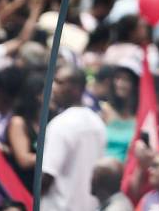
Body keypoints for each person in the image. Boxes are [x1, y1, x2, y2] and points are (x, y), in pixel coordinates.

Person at [41, 63, 107, 210]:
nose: (53, 88)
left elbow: (47, 175)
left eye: (59, 82)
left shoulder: (61, 124)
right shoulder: (97, 122)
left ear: (76, 89)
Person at [4, 72, 45, 189]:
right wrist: (53, 156)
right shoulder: (18, 122)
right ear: (38, 95)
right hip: (22, 186)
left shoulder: (46, 122)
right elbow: (24, 160)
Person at [100, 63, 138, 161]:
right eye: (118, 78)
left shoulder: (140, 114)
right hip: (102, 169)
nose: (120, 84)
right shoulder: (103, 109)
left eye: (127, 80)